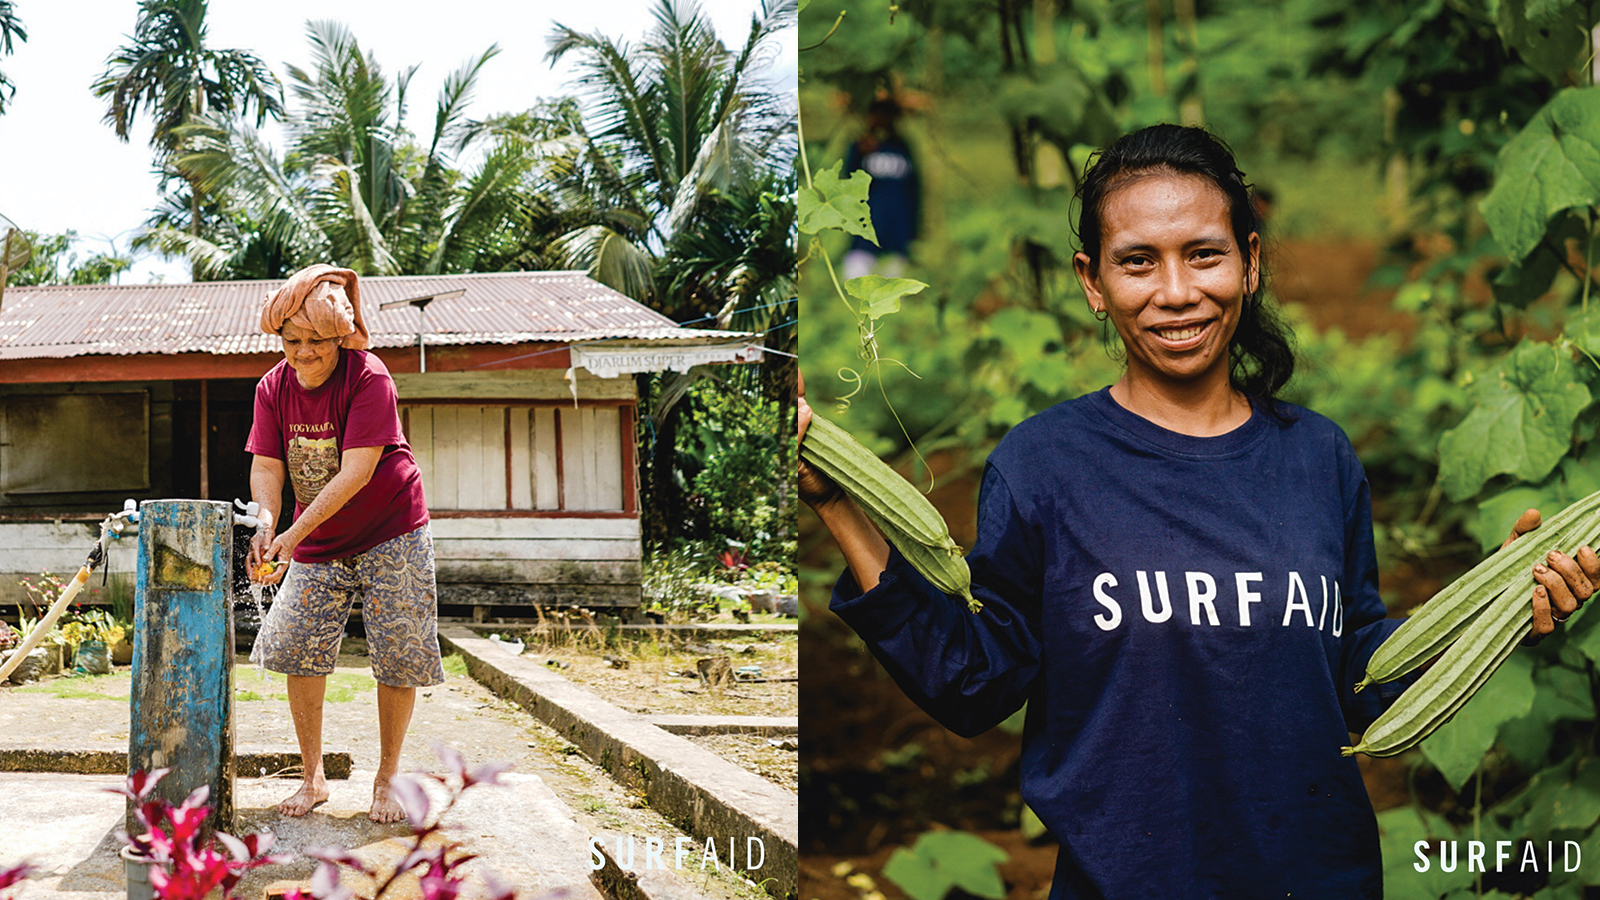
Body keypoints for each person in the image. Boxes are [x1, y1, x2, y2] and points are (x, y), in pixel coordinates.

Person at [798, 124, 1599, 898]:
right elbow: (973, 681)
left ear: (1248, 263)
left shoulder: (1319, 458)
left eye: (1204, 254)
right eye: (1138, 262)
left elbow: (1358, 675)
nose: (1176, 292)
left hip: (1318, 881)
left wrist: (1498, 607)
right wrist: (836, 498)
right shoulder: (1044, 463)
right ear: (1092, 281)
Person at [245, 263, 443, 823]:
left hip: (392, 528)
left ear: (340, 337)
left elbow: (357, 471)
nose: (303, 353)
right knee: (297, 647)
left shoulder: (368, 377)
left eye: (315, 342)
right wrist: (266, 525)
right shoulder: (272, 387)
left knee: (398, 652)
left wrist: (291, 534)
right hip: (318, 535)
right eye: (291, 341)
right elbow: (267, 466)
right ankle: (313, 778)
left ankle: (387, 777)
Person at [842, 96, 920, 281]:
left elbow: (914, 190)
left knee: (895, 281)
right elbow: (848, 185)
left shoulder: (902, 148)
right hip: (867, 224)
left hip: (899, 226)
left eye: (886, 115)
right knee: (857, 274)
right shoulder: (859, 147)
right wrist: (861, 154)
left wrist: (914, 230)